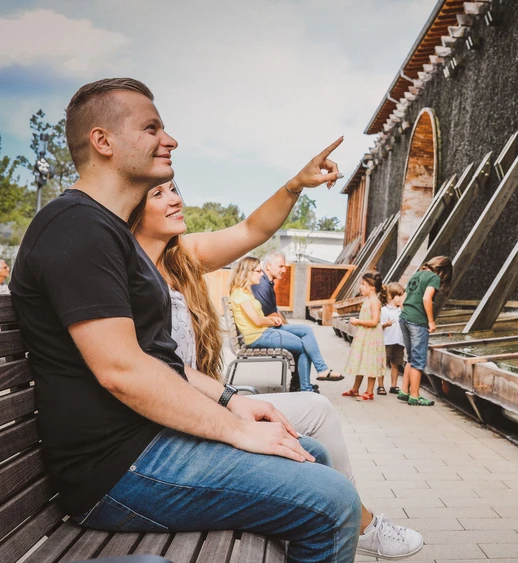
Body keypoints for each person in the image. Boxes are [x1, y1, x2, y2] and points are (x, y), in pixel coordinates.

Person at [10, 77, 360, 563]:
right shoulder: (77, 227)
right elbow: (123, 371)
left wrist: (232, 402)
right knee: (332, 503)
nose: (169, 140)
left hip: (141, 443)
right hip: (115, 469)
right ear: (103, 142)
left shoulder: (109, 233)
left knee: (313, 456)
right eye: (152, 128)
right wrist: (235, 429)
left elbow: (158, 361)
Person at [129, 182, 424, 559]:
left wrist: (296, 185)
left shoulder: (176, 258)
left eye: (175, 189)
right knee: (323, 462)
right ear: (134, 208)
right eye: (159, 194)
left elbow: (252, 229)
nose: (176, 199)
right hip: (172, 424)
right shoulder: (129, 268)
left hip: (197, 399)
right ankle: (357, 521)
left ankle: (354, 518)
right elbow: (148, 371)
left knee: (313, 436)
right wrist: (233, 417)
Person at [230, 257, 322, 393]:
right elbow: (257, 321)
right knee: (304, 346)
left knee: (306, 330)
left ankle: (321, 371)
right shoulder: (240, 294)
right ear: (248, 272)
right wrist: (272, 320)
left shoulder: (245, 292)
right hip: (257, 337)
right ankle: (306, 388)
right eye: (258, 271)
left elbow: (258, 319)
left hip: (263, 332)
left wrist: (269, 320)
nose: (261, 274)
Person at [251, 251, 343, 388]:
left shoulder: (267, 282)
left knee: (305, 334)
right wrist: (286, 327)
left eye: (284, 267)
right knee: (305, 338)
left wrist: (287, 326)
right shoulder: (262, 284)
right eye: (281, 266)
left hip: (269, 328)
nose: (284, 270)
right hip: (265, 331)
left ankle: (303, 382)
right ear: (269, 266)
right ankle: (309, 380)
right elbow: (270, 315)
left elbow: (274, 311)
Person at [397, 257, 453, 406]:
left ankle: (404, 391)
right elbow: (427, 299)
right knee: (418, 361)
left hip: (404, 318)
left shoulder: (416, 274)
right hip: (418, 321)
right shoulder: (434, 277)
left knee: (410, 357)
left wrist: (408, 314)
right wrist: (430, 321)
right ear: (443, 271)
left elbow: (403, 300)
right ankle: (415, 396)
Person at [341, 272, 386, 401]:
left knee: (371, 362)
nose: (360, 287)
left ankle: (369, 391)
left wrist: (358, 322)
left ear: (372, 286)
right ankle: (355, 388)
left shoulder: (374, 302)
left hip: (371, 337)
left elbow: (374, 321)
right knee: (362, 361)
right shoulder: (367, 300)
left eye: (363, 284)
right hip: (365, 336)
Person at [381, 282, 405, 394]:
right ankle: (380, 386)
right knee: (382, 364)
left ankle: (393, 386)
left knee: (396, 364)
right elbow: (378, 325)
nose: (401, 298)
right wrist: (385, 324)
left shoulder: (402, 310)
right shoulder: (384, 310)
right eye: (399, 296)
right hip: (386, 341)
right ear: (391, 296)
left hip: (399, 341)